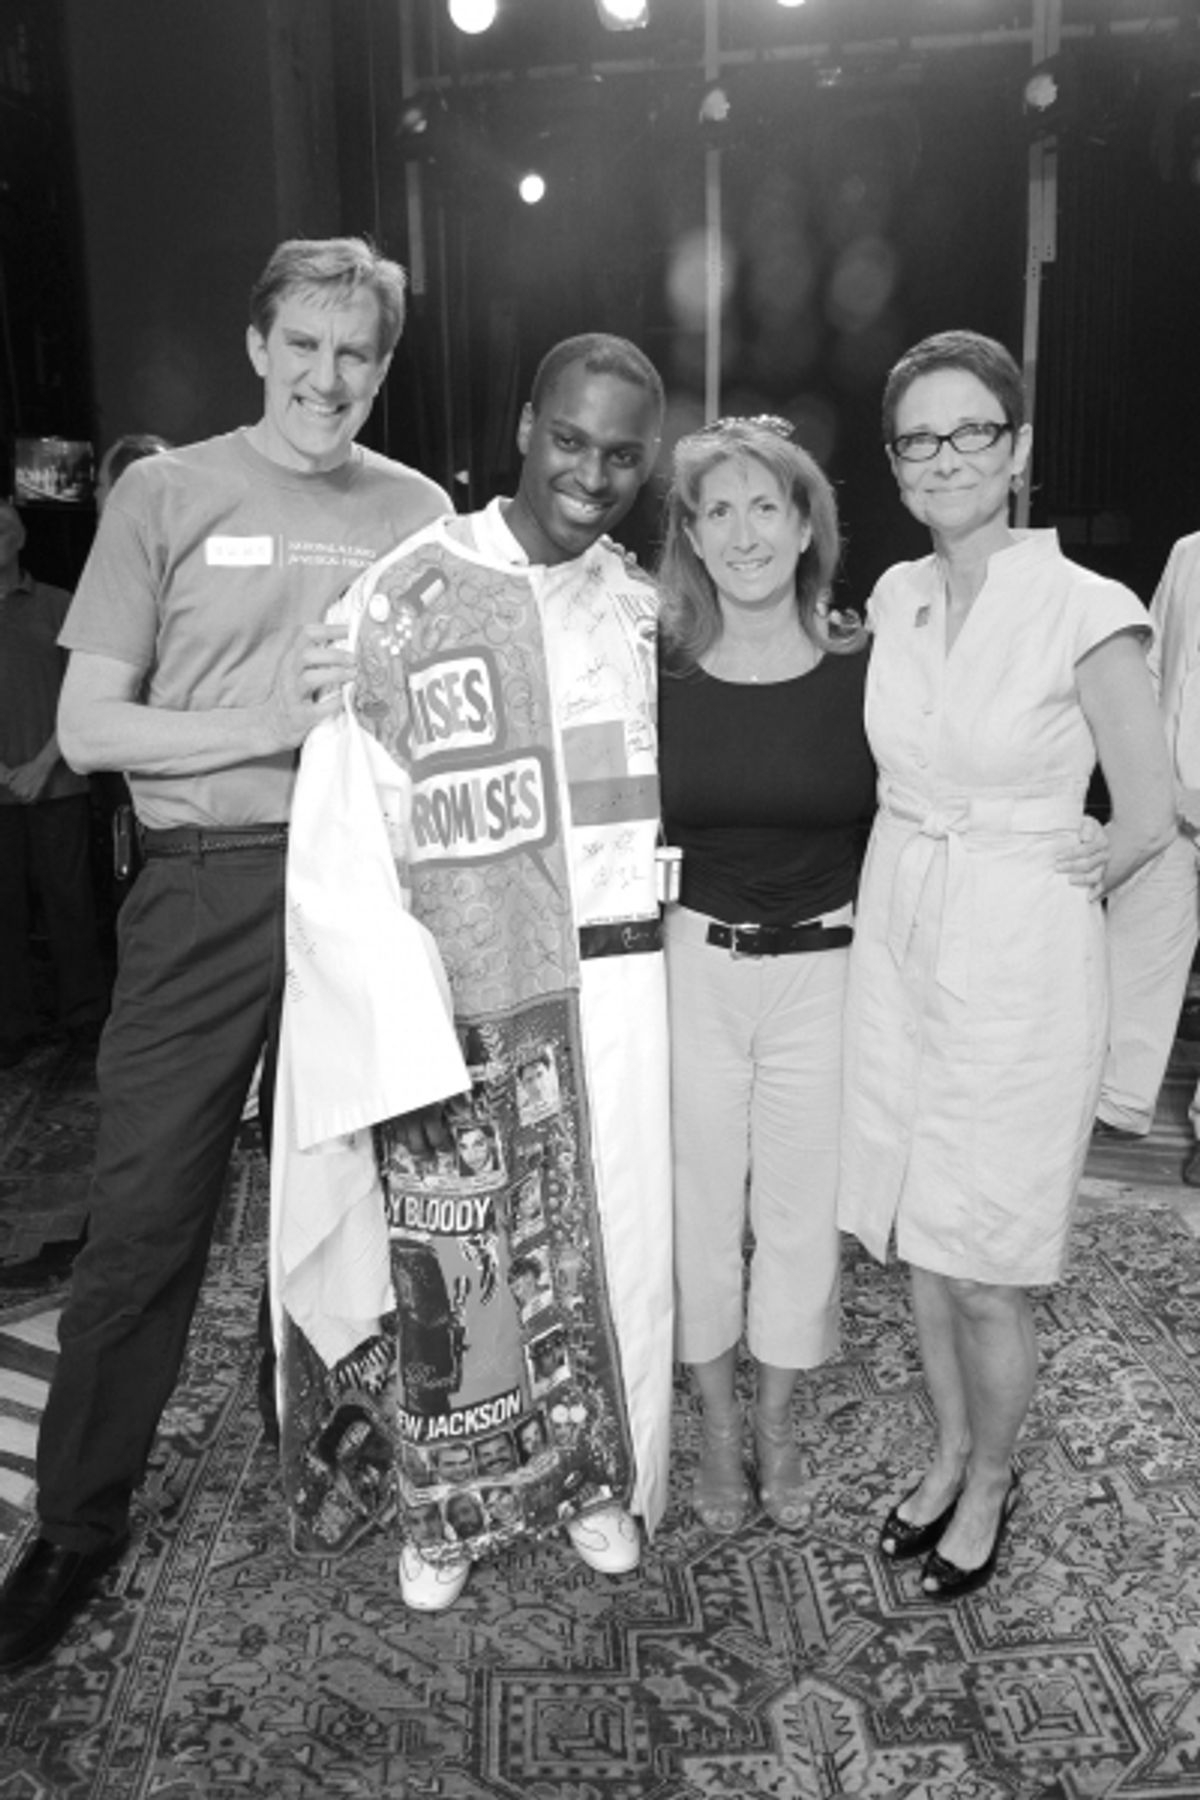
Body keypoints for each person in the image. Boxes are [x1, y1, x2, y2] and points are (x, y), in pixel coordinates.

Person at [0, 235, 451, 1670]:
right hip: (203, 888)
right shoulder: (166, 489)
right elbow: (90, 734)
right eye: (305, 345)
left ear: (383, 367)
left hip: (370, 895)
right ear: (258, 345)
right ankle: (75, 1522)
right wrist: (285, 724)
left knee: (380, 1199)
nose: (330, 378)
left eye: (358, 354)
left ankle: (344, 1453)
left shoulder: (422, 510)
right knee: (142, 1221)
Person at [270, 333, 674, 1615]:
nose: (590, 472)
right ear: (523, 425)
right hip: (457, 997)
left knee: (612, 1251)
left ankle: (595, 1478)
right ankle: (446, 1514)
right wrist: (400, 1020)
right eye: (570, 438)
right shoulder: (408, 593)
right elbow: (340, 832)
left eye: (620, 453)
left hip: (617, 996)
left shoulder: (636, 603)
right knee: (458, 1269)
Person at [837, 329, 1175, 1600]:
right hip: (902, 936)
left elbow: (1147, 814)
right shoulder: (897, 595)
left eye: (973, 430)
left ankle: (992, 1478)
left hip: (1018, 964)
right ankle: (946, 1449)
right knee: (923, 1243)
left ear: (1019, 447)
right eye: (918, 438)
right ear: (896, 462)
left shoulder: (1091, 607)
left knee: (985, 1261)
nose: (946, 457)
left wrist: (1056, 874)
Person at [655, 417, 875, 1535]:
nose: (742, 533)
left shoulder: (864, 665)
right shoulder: (660, 668)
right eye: (717, 511)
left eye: (764, 508)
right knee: (695, 1207)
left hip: (827, 973)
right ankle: (713, 1429)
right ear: (691, 534)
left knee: (799, 1215)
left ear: (803, 527)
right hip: (694, 967)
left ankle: (779, 1424)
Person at [1097, 533, 1200, 1181]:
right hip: (1170, 791)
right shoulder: (1191, 553)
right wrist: (1154, 774)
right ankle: (1118, 1098)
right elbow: (1157, 662)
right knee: (1138, 940)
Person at [0, 498, 108, 1068]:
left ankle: (85, 1016)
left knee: (71, 906)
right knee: (5, 913)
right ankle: (13, 1025)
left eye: (4, 522)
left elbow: (82, 696)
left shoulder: (59, 606)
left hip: (58, 785)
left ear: (21, 534)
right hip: (2, 796)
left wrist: (42, 765)